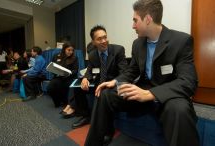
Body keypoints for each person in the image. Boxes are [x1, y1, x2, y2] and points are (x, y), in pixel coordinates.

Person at [85, 0, 200, 146]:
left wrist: (150, 94)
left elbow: (188, 82)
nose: (132, 25)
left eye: (135, 20)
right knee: (105, 93)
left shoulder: (181, 41)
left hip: (167, 94)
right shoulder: (138, 44)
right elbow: (131, 70)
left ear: (147, 19)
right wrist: (115, 82)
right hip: (142, 89)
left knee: (180, 110)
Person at [69, 25, 128, 129]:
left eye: (105, 37)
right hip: (99, 82)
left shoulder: (118, 50)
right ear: (93, 42)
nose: (104, 41)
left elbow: (124, 73)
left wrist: (113, 82)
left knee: (104, 94)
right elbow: (90, 70)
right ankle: (86, 115)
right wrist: (86, 78)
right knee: (78, 88)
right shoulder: (92, 54)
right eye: (99, 39)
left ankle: (108, 129)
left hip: (113, 84)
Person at [47, 42, 78, 108]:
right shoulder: (56, 56)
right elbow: (52, 66)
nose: (71, 52)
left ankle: (64, 102)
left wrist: (69, 73)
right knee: (50, 88)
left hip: (68, 77)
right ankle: (57, 101)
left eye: (72, 50)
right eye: (69, 50)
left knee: (63, 85)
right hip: (58, 77)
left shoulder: (74, 58)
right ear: (64, 49)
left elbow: (75, 70)